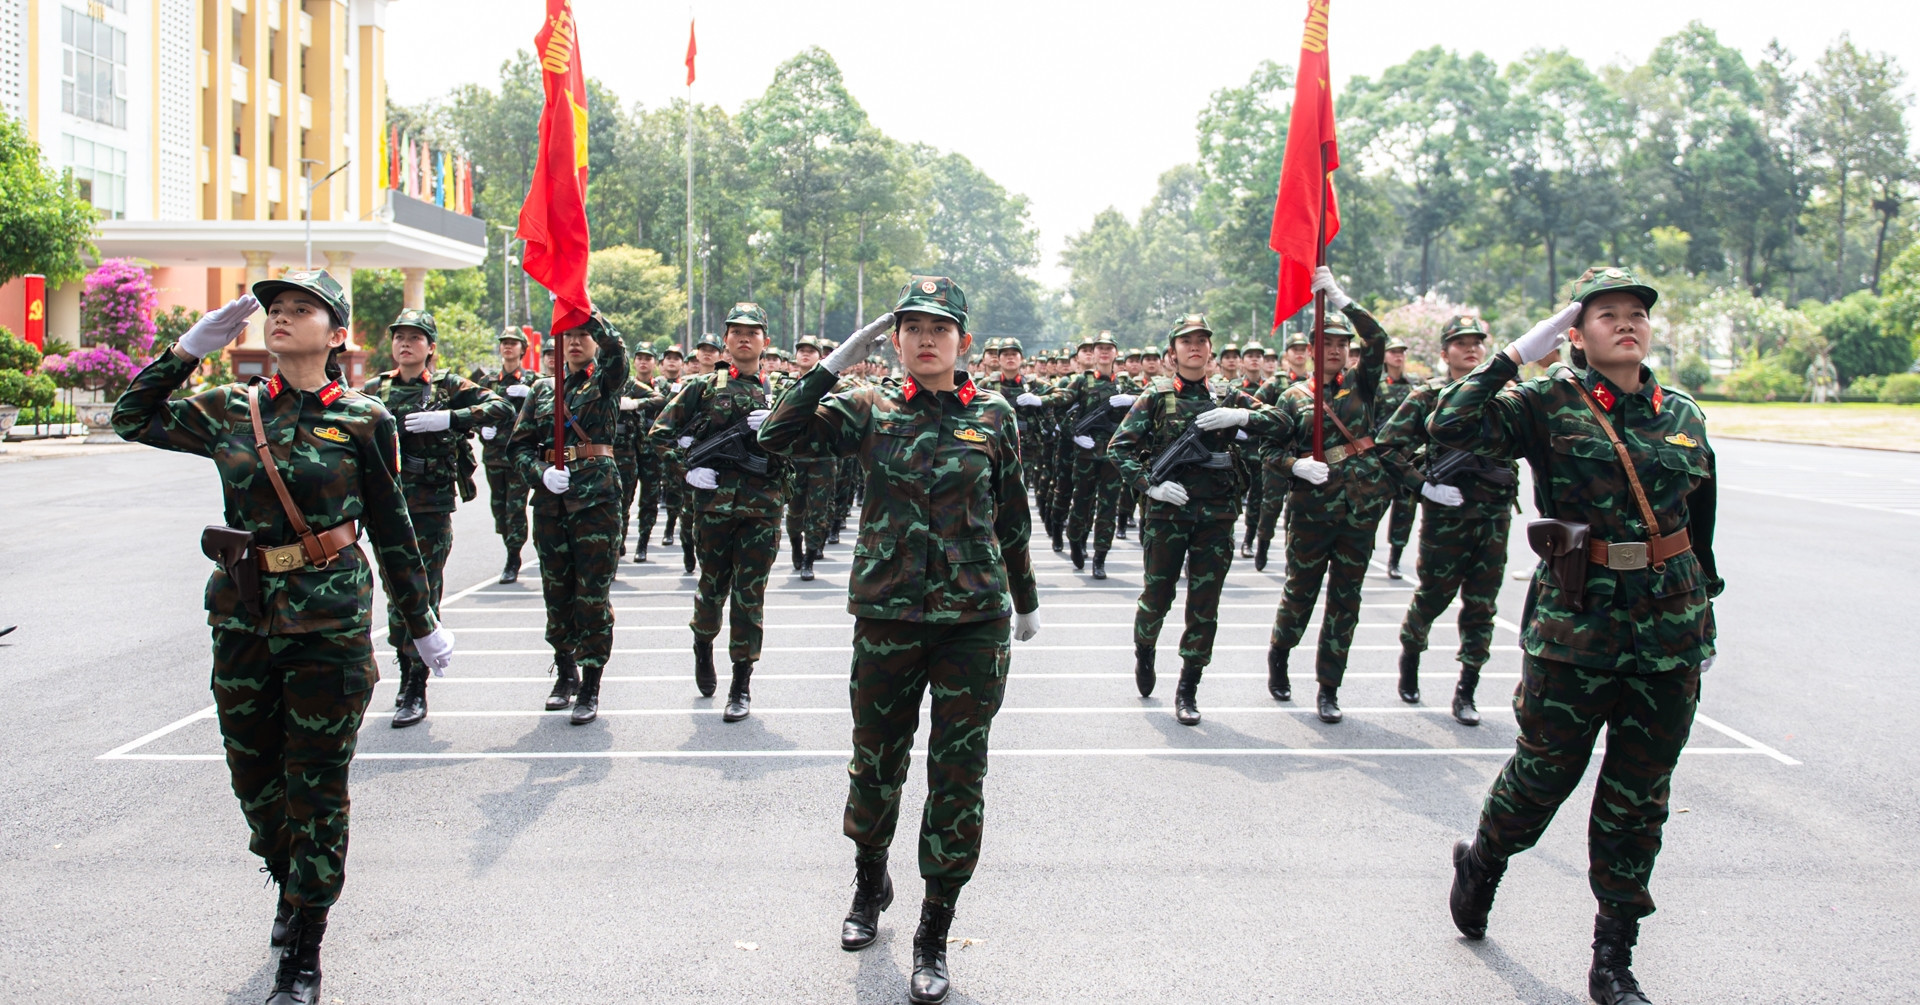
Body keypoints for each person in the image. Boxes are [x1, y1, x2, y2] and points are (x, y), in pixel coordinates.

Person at [112, 271, 453, 1005]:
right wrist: (185, 350)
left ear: (336, 335)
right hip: (242, 614)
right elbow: (130, 417)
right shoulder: (228, 410)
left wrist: (419, 622)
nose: (282, 318)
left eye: (302, 309)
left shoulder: (365, 418)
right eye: (274, 310)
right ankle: (290, 876)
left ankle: (305, 943)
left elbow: (393, 529)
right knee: (253, 778)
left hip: (328, 620)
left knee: (317, 786)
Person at [1438, 268, 1720, 1005]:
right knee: (1543, 776)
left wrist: (1702, 608)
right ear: (1576, 332)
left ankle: (1612, 960)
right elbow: (1451, 427)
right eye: (1607, 316)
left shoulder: (1682, 413)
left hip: (1669, 633)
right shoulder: (1545, 402)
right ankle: (1485, 861)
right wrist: (1509, 358)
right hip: (1577, 630)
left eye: (1637, 315)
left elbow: (1700, 521)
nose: (1627, 325)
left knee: (1638, 798)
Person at [759, 277, 1040, 1005]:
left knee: (957, 775)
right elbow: (776, 436)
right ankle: (868, 880)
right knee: (875, 761)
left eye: (939, 328)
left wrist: (1028, 600)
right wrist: (833, 364)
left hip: (973, 622)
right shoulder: (867, 406)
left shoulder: (997, 416)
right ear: (893, 338)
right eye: (911, 325)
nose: (924, 338)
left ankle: (934, 930)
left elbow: (1011, 515)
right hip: (886, 616)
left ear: (962, 342)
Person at [1108, 314, 1292, 723]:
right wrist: (1149, 485)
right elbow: (1118, 448)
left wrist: (1242, 417)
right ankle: (1145, 649)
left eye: (1202, 340)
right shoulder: (1155, 396)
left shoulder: (1228, 394)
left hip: (1216, 515)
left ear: (1210, 350)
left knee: (1204, 606)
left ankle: (1189, 687)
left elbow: (1283, 422)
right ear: (1172, 352)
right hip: (1168, 514)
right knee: (1157, 599)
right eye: (1186, 341)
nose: (1196, 346)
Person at [361, 309, 513, 728]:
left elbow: (500, 408)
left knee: (424, 592)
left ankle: (415, 682)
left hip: (429, 508)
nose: (405, 344)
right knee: (395, 593)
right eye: (399, 337)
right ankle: (405, 669)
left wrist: (451, 418)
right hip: (387, 510)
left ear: (430, 347)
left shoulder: (448, 387)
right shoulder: (377, 388)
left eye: (415, 337)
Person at [1265, 268, 1399, 723]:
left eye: (1343, 344)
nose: (1337, 349)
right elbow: (1269, 451)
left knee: (1346, 600)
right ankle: (1280, 655)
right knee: (1300, 594)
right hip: (1310, 511)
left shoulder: (1362, 385)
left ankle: (1329, 685)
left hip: (1359, 511)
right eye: (1328, 343)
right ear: (1310, 350)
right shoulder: (1291, 397)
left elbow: (1378, 339)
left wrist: (1340, 299)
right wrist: (1294, 464)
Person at [650, 304, 789, 721]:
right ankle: (703, 644)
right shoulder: (702, 388)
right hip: (712, 506)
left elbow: (809, 444)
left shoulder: (782, 390)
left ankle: (741, 682)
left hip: (763, 508)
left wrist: (781, 426)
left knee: (750, 595)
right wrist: (688, 471)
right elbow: (661, 435)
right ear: (725, 340)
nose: (744, 338)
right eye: (736, 332)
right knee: (712, 586)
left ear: (765, 340)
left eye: (753, 332)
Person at [1374, 315, 1515, 722]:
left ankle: (1466, 689)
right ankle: (1411, 659)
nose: (1470, 349)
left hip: (1494, 518)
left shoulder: (1508, 396)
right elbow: (1387, 447)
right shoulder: (1427, 396)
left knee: (1481, 605)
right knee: (1433, 596)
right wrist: (1423, 486)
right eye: (1460, 343)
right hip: (1445, 518)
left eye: (1476, 342)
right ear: (1444, 352)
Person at [507, 314, 629, 726]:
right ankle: (565, 672)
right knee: (556, 592)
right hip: (551, 502)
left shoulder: (605, 382)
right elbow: (518, 448)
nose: (576, 342)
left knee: (591, 595)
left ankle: (592, 682)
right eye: (569, 336)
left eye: (583, 335)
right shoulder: (543, 390)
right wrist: (539, 473)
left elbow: (618, 354)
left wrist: (590, 313)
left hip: (596, 502)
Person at [1042, 331, 1137, 578]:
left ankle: (1100, 557)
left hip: (1113, 455)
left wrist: (1131, 399)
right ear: (1093, 353)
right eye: (1099, 348)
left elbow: (1151, 400)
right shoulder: (1083, 381)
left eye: (1109, 348)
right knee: (1082, 502)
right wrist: (1042, 402)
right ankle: (1074, 540)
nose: (1104, 352)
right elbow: (1063, 398)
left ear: (1116, 353)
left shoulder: (1124, 383)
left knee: (1108, 507)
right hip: (1086, 453)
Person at [471, 330, 538, 583]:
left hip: (519, 455)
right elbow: (474, 412)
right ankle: (509, 544)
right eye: (504, 343)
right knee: (499, 510)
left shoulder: (533, 380)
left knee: (515, 508)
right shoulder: (488, 381)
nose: (508, 347)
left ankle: (513, 556)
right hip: (494, 455)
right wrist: (481, 429)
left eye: (513, 343)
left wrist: (530, 392)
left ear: (523, 349)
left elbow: (549, 407)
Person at [1250, 332, 1316, 570]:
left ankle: (1291, 556)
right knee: (1271, 506)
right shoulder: (1276, 383)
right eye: (1293, 349)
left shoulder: (1314, 384)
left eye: (1302, 349)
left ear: (1308, 353)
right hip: (1278, 455)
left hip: (1304, 457)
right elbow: (1254, 409)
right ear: (1286, 355)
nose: (1299, 353)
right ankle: (1262, 544)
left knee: (1295, 510)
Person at [784, 335, 840, 581]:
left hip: (822, 458)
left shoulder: (835, 386)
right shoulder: (785, 385)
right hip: (794, 457)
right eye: (801, 351)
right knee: (794, 510)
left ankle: (809, 558)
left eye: (811, 351)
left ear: (820, 357)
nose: (805, 354)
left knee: (818, 510)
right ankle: (796, 545)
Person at [612, 348, 666, 569]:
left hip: (652, 451)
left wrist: (635, 403)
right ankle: (618, 543)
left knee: (649, 499)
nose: (643, 362)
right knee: (623, 500)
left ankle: (643, 541)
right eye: (639, 358)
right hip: (628, 452)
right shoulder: (618, 384)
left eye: (648, 358)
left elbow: (661, 400)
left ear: (654, 362)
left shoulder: (641, 388)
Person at [1377, 335, 1418, 579]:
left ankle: (1395, 560)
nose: (1398, 355)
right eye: (1393, 352)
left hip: (1408, 458)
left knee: (1405, 513)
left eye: (1402, 351)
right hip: (1383, 460)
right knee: (1372, 512)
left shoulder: (1414, 387)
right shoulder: (1378, 387)